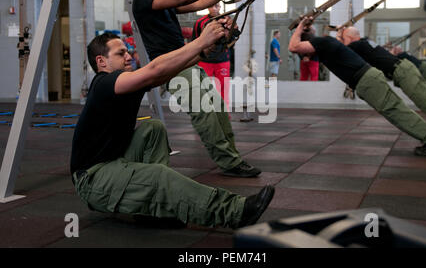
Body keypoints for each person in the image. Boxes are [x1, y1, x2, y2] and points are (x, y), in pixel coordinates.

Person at [70, 30, 275, 229]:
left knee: (153, 128)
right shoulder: (104, 83)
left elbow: (167, 72)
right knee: (158, 176)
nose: (129, 56)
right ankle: (235, 212)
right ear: (101, 62)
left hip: (113, 161)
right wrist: (200, 42)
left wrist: (204, 52)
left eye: (128, 50)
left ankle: (154, 211)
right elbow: (155, 70)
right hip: (92, 180)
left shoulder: (125, 82)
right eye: (120, 53)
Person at [132, 0, 261, 177]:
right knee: (205, 113)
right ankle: (229, 162)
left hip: (189, 61)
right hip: (172, 66)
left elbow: (200, 4)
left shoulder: (163, 2)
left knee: (218, 109)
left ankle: (232, 156)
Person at [288, 17, 426, 156]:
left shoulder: (321, 42)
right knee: (398, 110)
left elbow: (293, 47)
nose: (305, 55)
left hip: (368, 80)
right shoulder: (328, 43)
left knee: (397, 111)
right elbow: (334, 45)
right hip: (373, 77)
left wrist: (300, 27)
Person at [338, 27, 426, 133]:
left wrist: (339, 36)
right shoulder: (365, 42)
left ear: (350, 37)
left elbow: (340, 50)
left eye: (344, 38)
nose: (343, 41)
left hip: (403, 72)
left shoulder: (357, 45)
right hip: (404, 69)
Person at [192, 3, 235, 110]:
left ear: (220, 7)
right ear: (208, 7)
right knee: (203, 88)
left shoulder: (227, 20)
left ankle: (224, 114)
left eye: (217, 6)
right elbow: (195, 42)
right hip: (205, 60)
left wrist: (228, 32)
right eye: (212, 6)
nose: (214, 8)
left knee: (224, 89)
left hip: (222, 60)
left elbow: (233, 40)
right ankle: (205, 113)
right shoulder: (200, 22)